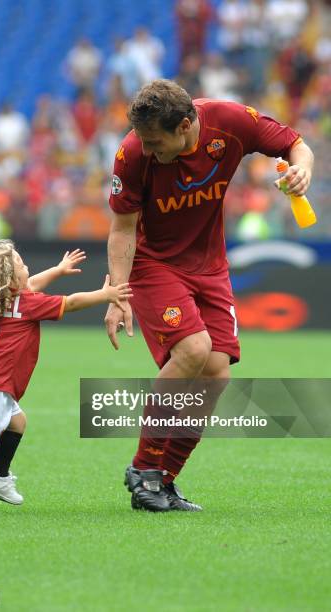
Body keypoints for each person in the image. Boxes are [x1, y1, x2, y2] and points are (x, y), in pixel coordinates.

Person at [105, 79, 314, 512]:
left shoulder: (232, 123)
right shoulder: (131, 154)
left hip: (210, 265)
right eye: (143, 140)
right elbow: (123, 229)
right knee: (193, 350)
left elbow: (296, 144)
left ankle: (165, 479)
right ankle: (143, 468)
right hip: (153, 263)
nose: (147, 149)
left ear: (185, 126)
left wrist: (301, 168)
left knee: (216, 375)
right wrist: (116, 295)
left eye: (155, 141)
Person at [0, 240, 132, 515]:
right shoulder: (26, 303)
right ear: (10, 280)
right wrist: (105, 294)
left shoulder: (5, 299)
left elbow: (33, 285)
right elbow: (71, 302)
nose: (25, 265)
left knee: (17, 422)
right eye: (20, 264)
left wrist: (58, 269)